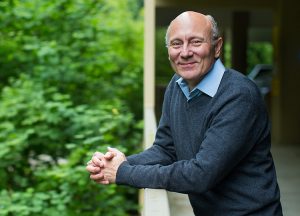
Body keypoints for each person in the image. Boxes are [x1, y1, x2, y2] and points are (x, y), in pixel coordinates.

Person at [86, 11, 283, 215]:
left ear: (217, 47)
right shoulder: (177, 86)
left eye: (196, 42)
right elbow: (165, 149)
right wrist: (121, 163)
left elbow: (201, 174)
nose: (186, 52)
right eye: (176, 44)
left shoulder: (239, 96)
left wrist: (124, 173)